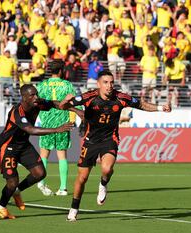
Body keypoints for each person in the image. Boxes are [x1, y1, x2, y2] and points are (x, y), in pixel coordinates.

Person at [58, 70, 171, 221]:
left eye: (111, 82)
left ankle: (103, 184)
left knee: (107, 168)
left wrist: (160, 108)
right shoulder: (88, 97)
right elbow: (62, 106)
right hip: (90, 140)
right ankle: (74, 208)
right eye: (105, 82)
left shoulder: (121, 97)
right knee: (82, 178)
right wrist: (66, 101)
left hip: (109, 139)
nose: (109, 86)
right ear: (98, 84)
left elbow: (141, 105)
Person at [0, 84, 78, 219]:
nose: (36, 97)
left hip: (23, 145)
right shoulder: (17, 111)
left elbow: (54, 103)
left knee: (40, 173)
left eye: (36, 94)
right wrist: (57, 129)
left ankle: (17, 192)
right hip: (8, 146)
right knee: (12, 181)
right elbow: (31, 130)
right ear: (24, 97)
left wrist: (76, 111)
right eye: (32, 95)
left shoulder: (37, 103)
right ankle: (1, 207)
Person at [36, 60, 83, 196]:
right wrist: (75, 119)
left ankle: (42, 182)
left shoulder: (42, 85)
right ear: (62, 70)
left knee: (44, 154)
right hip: (63, 123)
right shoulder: (67, 85)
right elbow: (74, 102)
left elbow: (36, 102)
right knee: (62, 155)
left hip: (46, 124)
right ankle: (63, 188)